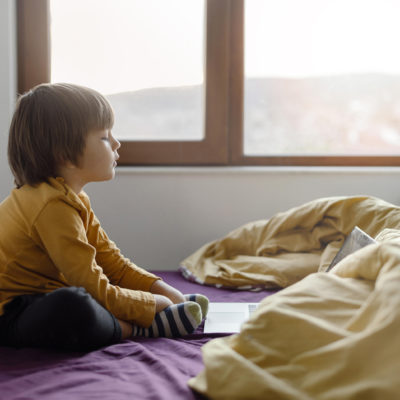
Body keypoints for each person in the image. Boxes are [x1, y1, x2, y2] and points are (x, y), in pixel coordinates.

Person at [0, 83, 209, 351]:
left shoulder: (72, 198)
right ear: (65, 154)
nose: (117, 143)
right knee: (74, 304)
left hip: (39, 296)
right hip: (9, 315)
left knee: (83, 296)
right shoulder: (50, 205)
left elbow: (112, 263)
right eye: (104, 137)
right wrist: (153, 305)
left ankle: (143, 316)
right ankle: (138, 328)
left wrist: (163, 289)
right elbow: (93, 285)